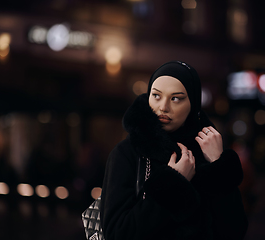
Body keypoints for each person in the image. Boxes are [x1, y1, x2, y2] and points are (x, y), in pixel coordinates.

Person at [100, 61, 248, 240]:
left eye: (176, 98)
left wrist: (218, 164)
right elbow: (117, 234)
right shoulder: (128, 152)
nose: (163, 107)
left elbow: (234, 232)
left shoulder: (206, 150)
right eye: (156, 96)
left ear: (192, 104)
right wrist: (173, 184)